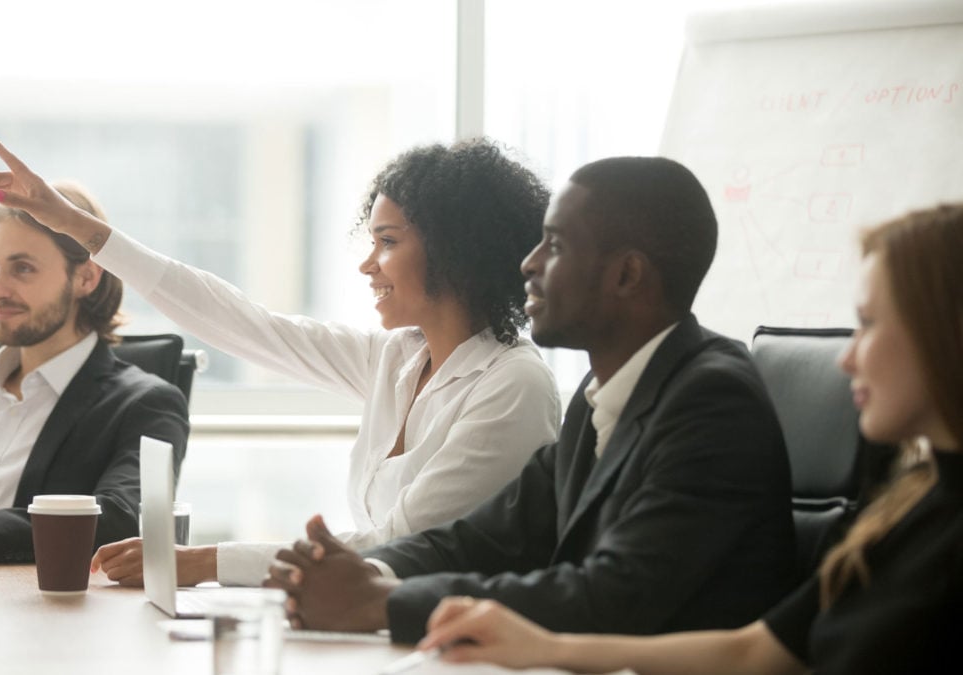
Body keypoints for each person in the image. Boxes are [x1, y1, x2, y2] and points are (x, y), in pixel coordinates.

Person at [0, 133, 561, 585]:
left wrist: (203, 562)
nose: (367, 264)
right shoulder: (398, 359)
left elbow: (401, 546)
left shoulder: (513, 384)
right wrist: (76, 226)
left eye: (388, 242)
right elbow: (243, 325)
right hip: (374, 627)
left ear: (457, 250)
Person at [263, 156, 796, 643]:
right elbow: (483, 538)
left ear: (627, 275)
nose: (528, 263)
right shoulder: (599, 402)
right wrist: (365, 572)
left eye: (556, 246)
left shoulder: (711, 402)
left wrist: (386, 601)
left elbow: (612, 595)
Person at [416, 203, 963, 674]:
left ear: (946, 330)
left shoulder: (710, 397)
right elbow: (757, 652)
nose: (847, 357)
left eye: (869, 324)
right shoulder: (910, 505)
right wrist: (545, 646)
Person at [0, 183, 189, 563]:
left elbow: (120, 518)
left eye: (22, 268)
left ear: (86, 278)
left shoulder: (145, 404)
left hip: (33, 607)